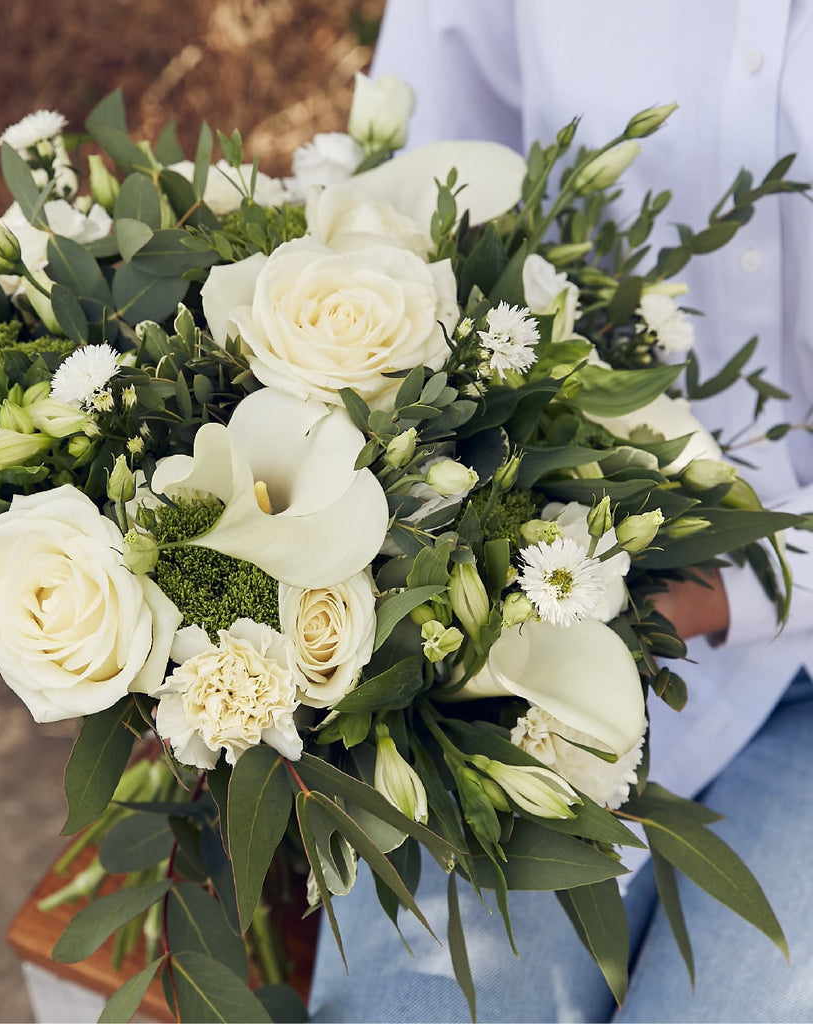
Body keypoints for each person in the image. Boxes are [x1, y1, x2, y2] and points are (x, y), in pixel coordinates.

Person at [307, 2, 813, 1020]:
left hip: (667, 623)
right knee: (415, 1006)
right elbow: (404, 219)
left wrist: (721, 590)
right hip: (527, 623)